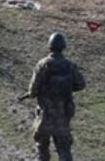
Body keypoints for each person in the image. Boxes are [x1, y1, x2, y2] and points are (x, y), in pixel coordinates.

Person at [24, 32, 86, 161]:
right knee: (64, 151)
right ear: (63, 46)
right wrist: (67, 88)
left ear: (49, 46)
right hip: (63, 117)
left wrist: (34, 93)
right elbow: (81, 84)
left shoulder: (42, 65)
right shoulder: (69, 65)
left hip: (44, 116)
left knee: (42, 151)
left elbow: (33, 90)